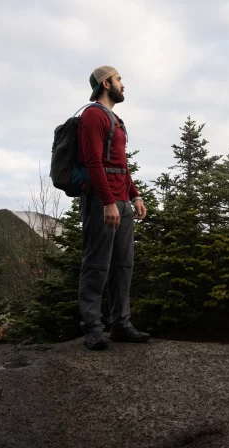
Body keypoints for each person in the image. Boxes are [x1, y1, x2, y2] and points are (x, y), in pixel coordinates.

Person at [76, 65, 150, 350]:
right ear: (106, 83)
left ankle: (121, 324)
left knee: (123, 265)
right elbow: (94, 162)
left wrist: (136, 196)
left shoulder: (115, 119)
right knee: (96, 265)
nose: (123, 84)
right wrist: (108, 201)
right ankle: (93, 328)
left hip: (121, 201)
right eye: (119, 79)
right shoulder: (93, 115)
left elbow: (122, 165)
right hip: (101, 201)